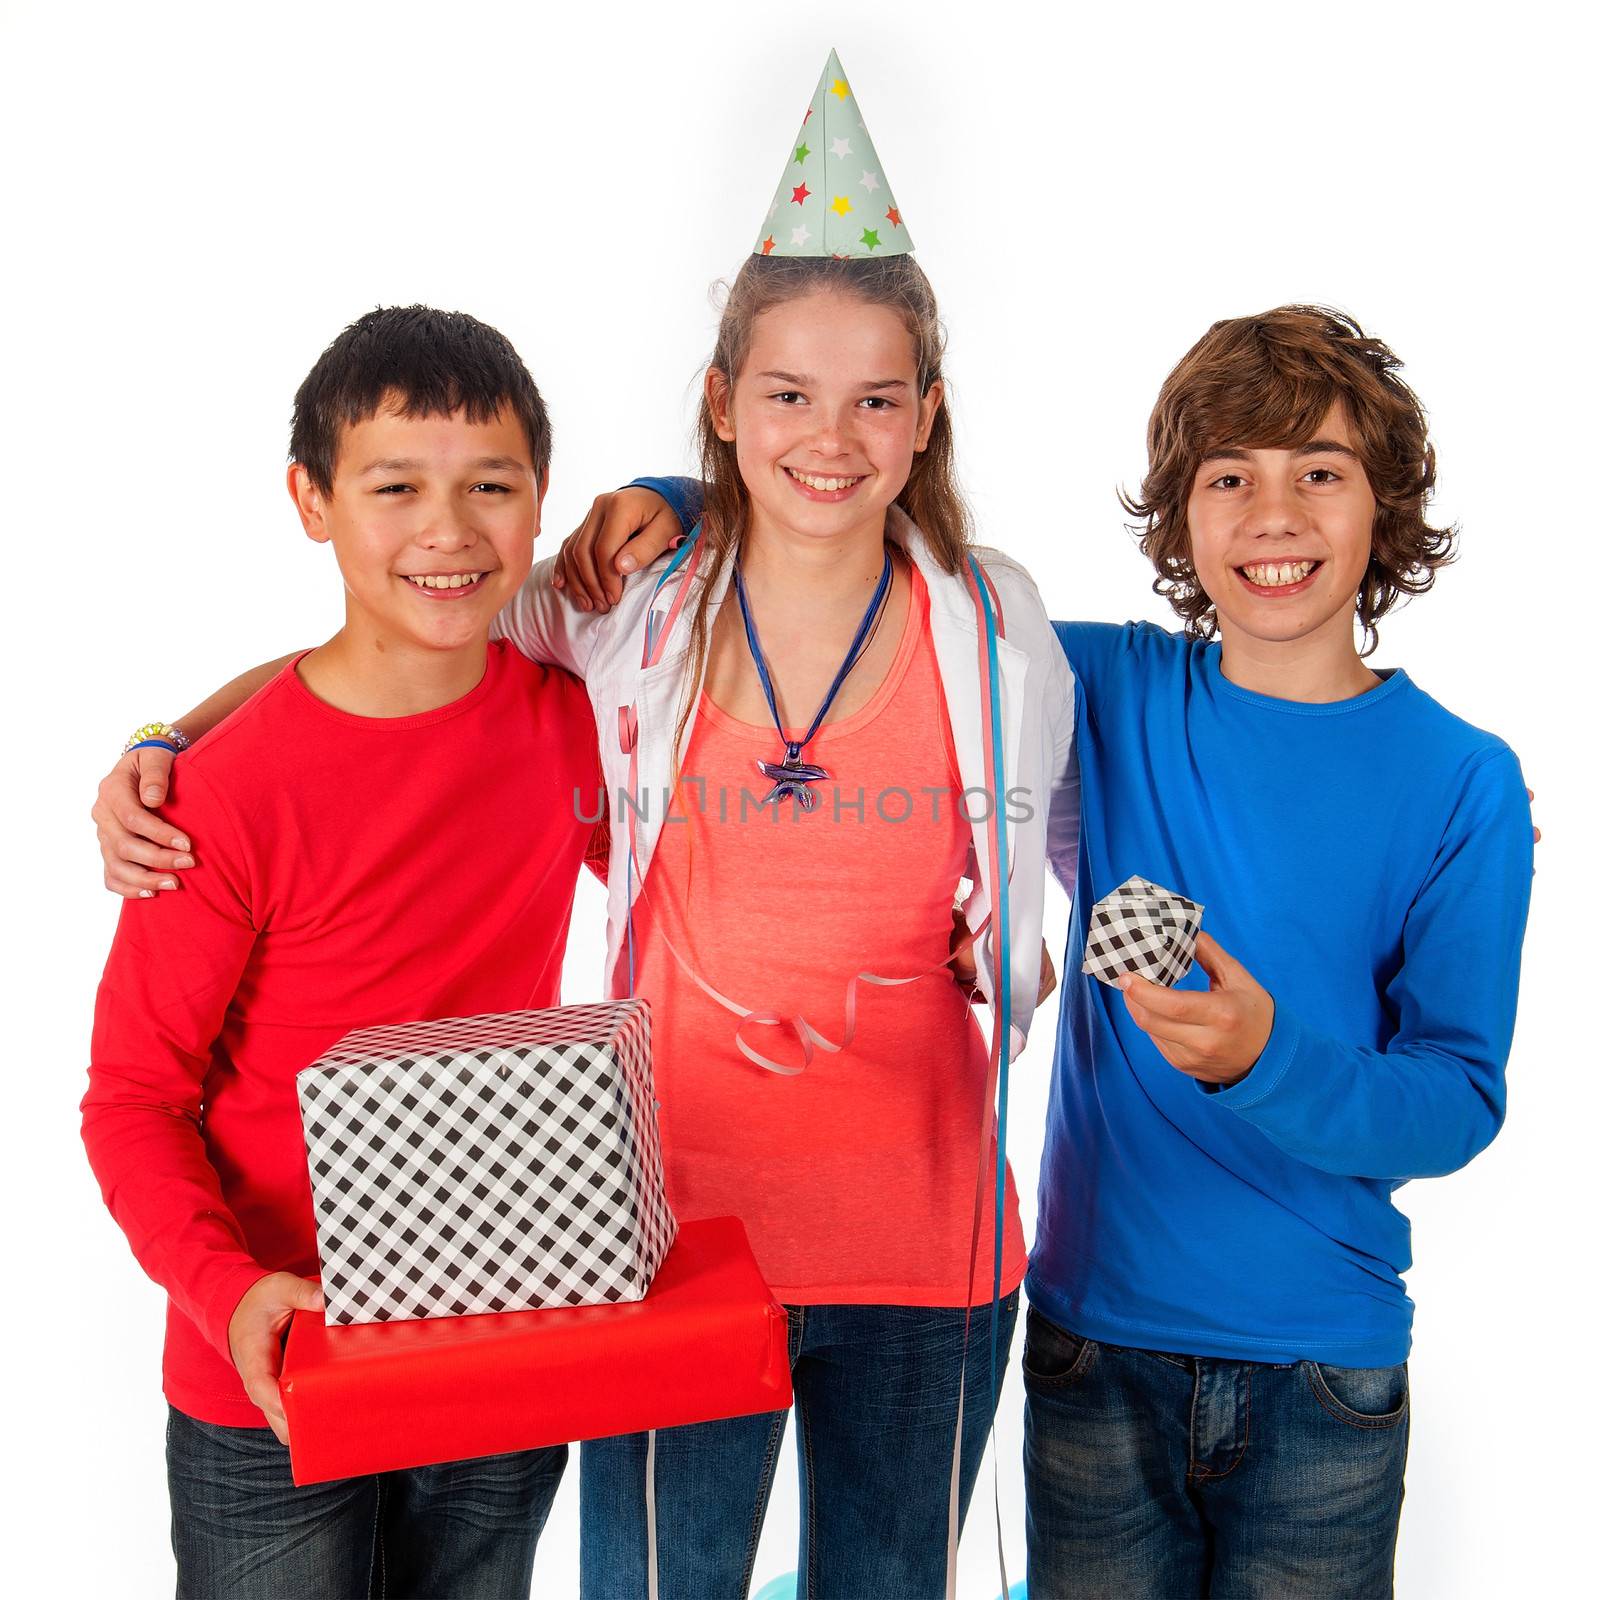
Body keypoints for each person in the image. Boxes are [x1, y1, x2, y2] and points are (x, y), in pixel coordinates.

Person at [92, 56, 1075, 1599]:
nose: (832, 434)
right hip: (644, 1244)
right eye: (788, 394)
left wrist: (1006, 958)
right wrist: (165, 740)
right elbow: (403, 643)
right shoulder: (621, 623)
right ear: (722, 402)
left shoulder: (989, 627)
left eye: (877, 396)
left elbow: (1049, 865)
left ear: (927, 412)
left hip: (876, 1248)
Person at [552, 305, 1537, 1599]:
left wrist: (1266, 1060)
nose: (1273, 514)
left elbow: (1457, 1100)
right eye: (1229, 477)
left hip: (1323, 1365)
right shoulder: (1093, 684)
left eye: (1321, 474)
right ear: (1180, 513)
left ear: (1386, 501)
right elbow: (849, 569)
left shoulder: (1461, 782)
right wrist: (679, 493)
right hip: (1092, 1350)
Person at [82, 305, 601, 1599]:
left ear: (541, 502)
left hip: (500, 1327)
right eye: (394, 488)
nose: (449, 528)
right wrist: (228, 1290)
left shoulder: (575, 725)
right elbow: (132, 1101)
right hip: (270, 1364)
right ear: (311, 500)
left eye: (492, 486)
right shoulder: (219, 799)